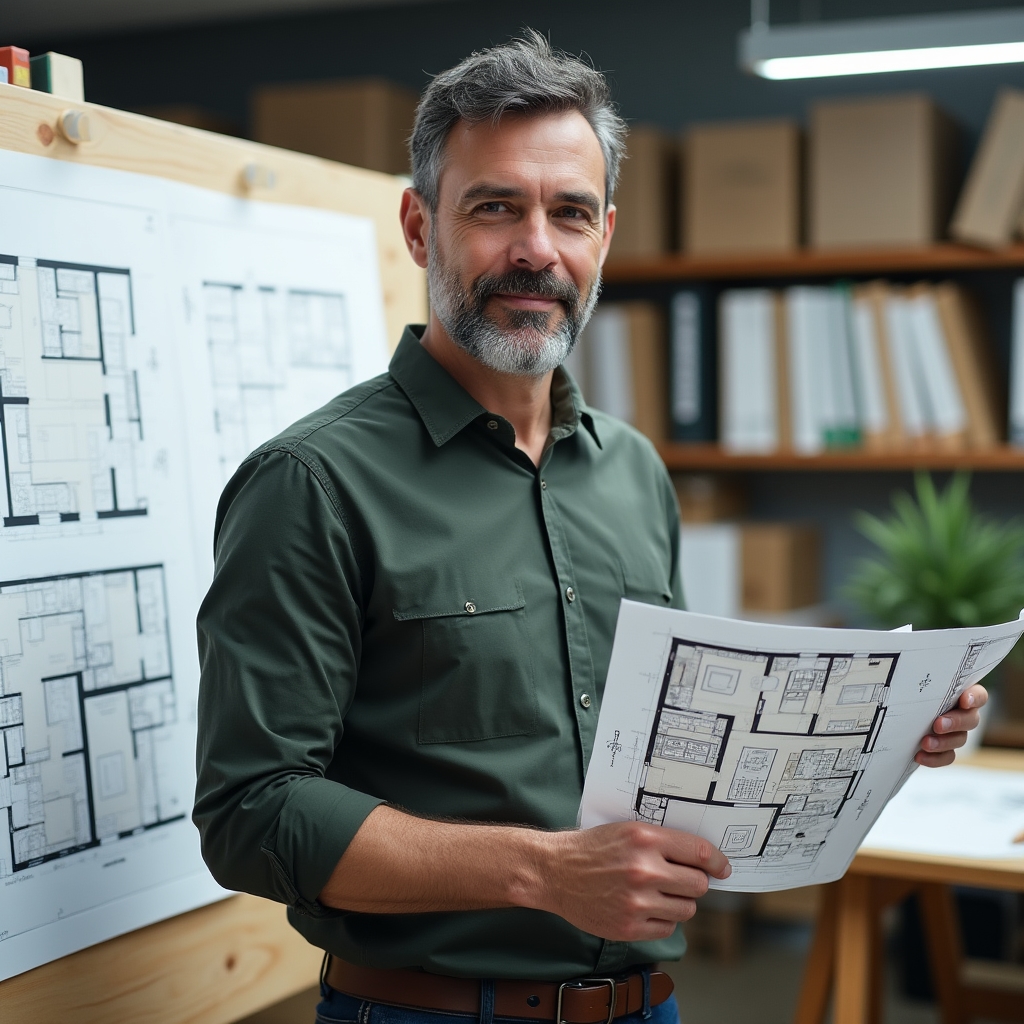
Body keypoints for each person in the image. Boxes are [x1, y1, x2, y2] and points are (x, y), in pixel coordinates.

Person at [193, 30, 987, 1024]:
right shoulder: (309, 482)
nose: (536, 248)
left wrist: (882, 726)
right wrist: (541, 871)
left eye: (568, 213)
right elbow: (251, 811)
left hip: (647, 1005)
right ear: (416, 224)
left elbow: (683, 753)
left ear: (603, 235)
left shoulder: (634, 472)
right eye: (494, 207)